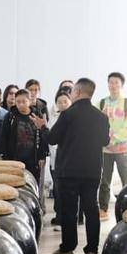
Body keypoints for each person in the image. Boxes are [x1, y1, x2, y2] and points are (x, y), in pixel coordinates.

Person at [32, 78, 110, 254]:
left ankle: (68, 250)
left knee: (69, 211)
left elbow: (52, 139)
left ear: (78, 92)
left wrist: (42, 126)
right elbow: (105, 141)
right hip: (92, 171)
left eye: (73, 90)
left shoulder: (68, 114)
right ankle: (92, 253)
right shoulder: (101, 116)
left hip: (69, 171)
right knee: (91, 210)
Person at [98, 72, 127, 221]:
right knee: (104, 181)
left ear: (121, 85)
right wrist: (105, 142)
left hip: (123, 149)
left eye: (116, 82)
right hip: (105, 150)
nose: (113, 85)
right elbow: (96, 124)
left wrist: (111, 140)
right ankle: (103, 209)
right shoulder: (101, 103)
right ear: (108, 84)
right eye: (111, 82)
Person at [0, 89, 48, 183]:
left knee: (33, 184)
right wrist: (5, 158)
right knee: (15, 183)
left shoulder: (37, 115)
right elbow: (4, 138)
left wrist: (42, 156)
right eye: (18, 102)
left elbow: (43, 137)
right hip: (15, 159)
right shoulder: (10, 116)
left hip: (33, 160)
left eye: (24, 101)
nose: (21, 104)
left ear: (29, 101)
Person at [48, 88, 72, 226]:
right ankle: (59, 215)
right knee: (57, 190)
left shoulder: (73, 118)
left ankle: (70, 217)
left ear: (70, 102)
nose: (62, 104)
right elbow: (50, 137)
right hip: (55, 159)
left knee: (68, 191)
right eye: (59, 102)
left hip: (69, 161)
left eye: (65, 101)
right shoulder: (53, 117)